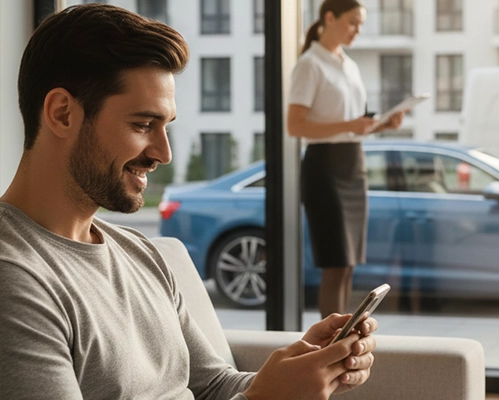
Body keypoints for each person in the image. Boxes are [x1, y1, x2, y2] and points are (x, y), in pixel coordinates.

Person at [0, 4, 377, 399]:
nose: (164, 153)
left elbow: (213, 386)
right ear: (62, 114)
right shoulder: (15, 276)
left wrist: (300, 370)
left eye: (165, 127)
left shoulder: (141, 254)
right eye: (143, 125)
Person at [287, 0, 405, 318]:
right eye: (353, 22)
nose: (358, 30)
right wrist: (351, 126)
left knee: (349, 262)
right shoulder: (310, 64)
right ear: (329, 17)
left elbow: (354, 124)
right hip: (325, 166)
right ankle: (331, 343)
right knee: (335, 262)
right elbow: (294, 125)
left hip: (354, 164)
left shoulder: (349, 65)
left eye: (361, 24)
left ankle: (341, 335)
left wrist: (381, 124)